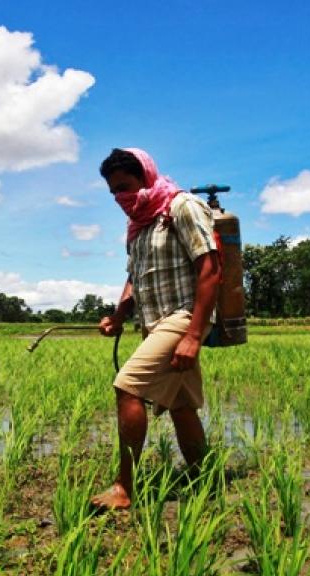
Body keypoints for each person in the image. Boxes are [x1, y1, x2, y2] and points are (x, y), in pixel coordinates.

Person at [91, 148, 222, 510]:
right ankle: (205, 478)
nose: (121, 198)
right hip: (153, 323)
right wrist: (118, 316)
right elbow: (134, 278)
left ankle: (124, 488)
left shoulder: (182, 207)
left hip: (182, 317)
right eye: (113, 192)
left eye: (125, 187)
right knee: (181, 407)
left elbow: (210, 270)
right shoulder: (139, 225)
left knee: (127, 388)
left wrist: (194, 335)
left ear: (145, 177)